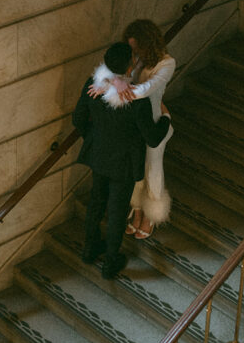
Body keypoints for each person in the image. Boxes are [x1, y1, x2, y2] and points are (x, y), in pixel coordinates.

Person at [73, 41, 171, 280]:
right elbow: (153, 137)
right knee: (117, 211)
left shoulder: (92, 86)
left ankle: (89, 250)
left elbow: (78, 120)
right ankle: (110, 262)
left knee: (96, 202)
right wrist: (166, 117)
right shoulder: (136, 101)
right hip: (124, 164)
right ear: (129, 68)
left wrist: (95, 139)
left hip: (99, 156)